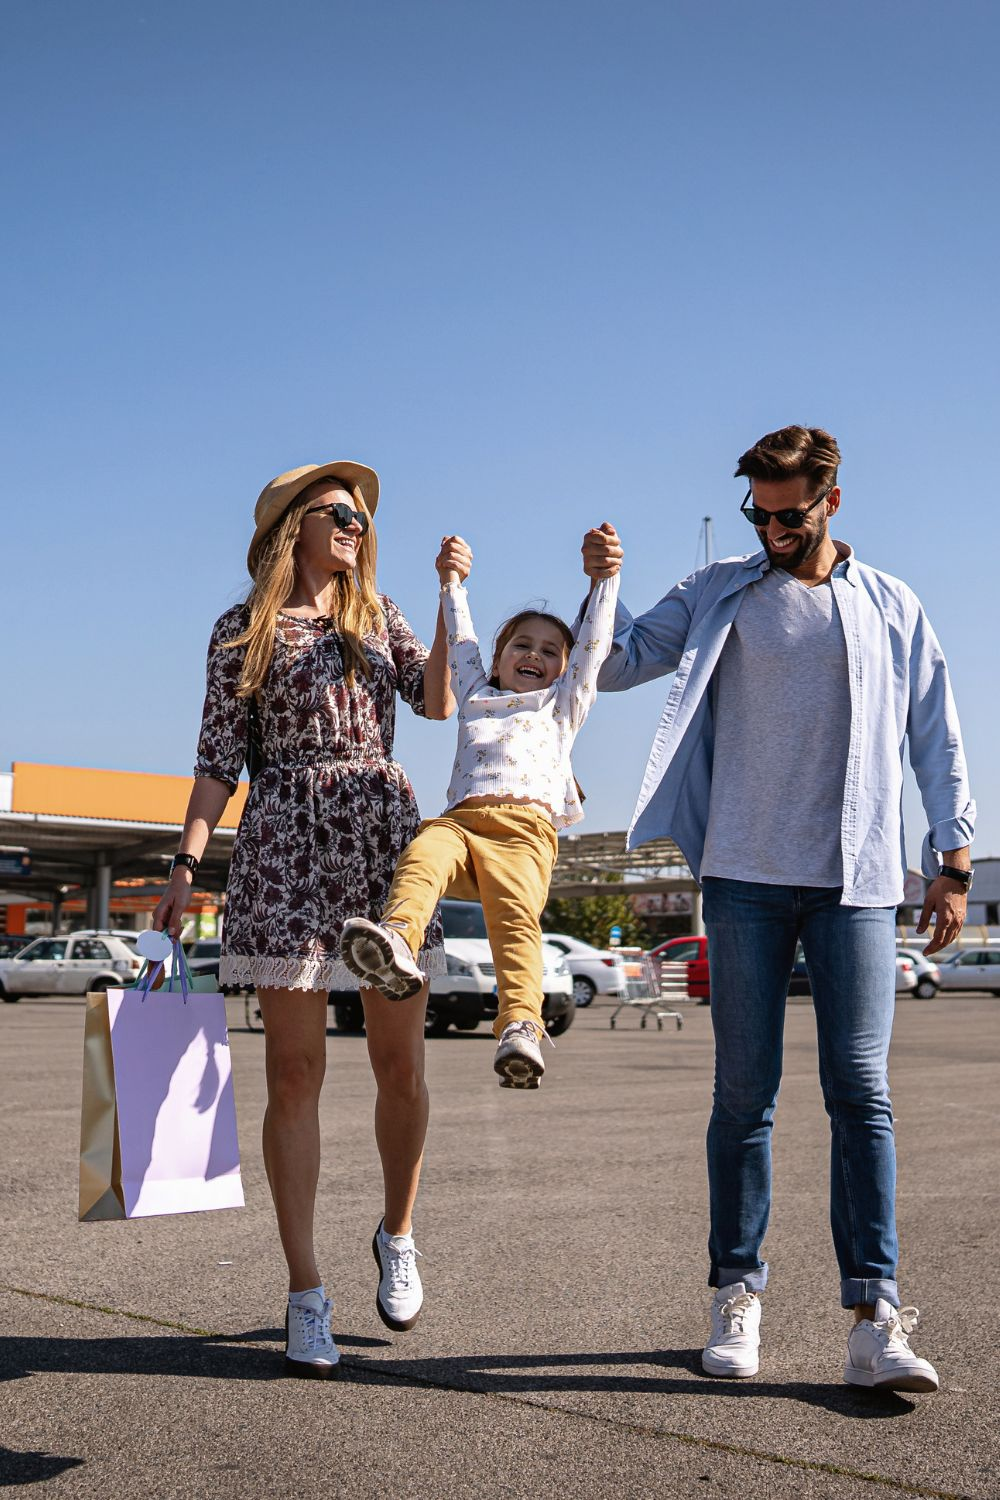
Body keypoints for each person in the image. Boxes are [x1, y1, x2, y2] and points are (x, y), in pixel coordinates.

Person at [583, 427, 974, 1393]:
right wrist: (601, 584)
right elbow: (622, 662)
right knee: (742, 1100)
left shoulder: (891, 605)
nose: (770, 529)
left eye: (787, 514)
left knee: (862, 1096)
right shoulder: (720, 588)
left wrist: (953, 854)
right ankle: (736, 1293)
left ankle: (874, 1316)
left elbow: (936, 727)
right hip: (745, 876)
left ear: (831, 502)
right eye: (758, 512)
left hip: (860, 878)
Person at [153, 461, 471, 1378]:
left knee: (399, 1064)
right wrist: (184, 863)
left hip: (378, 836)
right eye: (342, 513)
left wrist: (452, 603)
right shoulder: (238, 633)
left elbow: (438, 699)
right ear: (296, 523)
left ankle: (397, 1232)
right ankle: (304, 1291)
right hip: (285, 843)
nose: (358, 528)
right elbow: (219, 760)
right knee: (294, 1072)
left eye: (366, 518)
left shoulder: (380, 617)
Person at [340, 526, 621, 1088]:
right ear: (496, 659)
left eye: (549, 651)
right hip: (462, 825)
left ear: (564, 670)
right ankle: (397, 940)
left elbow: (593, 642)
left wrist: (604, 579)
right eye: (521, 645)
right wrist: (451, 581)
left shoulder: (562, 705)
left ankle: (520, 1025)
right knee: (421, 854)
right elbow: (460, 637)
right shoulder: (476, 694)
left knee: (515, 926)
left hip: (523, 834)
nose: (534, 656)